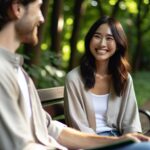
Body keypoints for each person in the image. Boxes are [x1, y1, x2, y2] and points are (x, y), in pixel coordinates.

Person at [0, 1, 150, 150]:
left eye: (110, 38)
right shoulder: (4, 72)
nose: (42, 18)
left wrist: (118, 141)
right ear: (17, 9)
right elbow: (18, 145)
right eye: (39, 7)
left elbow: (50, 127)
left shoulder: (20, 73)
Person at [64, 16, 142, 137]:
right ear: (89, 40)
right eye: (97, 36)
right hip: (89, 142)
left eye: (109, 38)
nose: (102, 43)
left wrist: (129, 142)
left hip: (120, 140)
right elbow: (78, 126)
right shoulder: (74, 79)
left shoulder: (124, 78)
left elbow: (131, 123)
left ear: (118, 44)